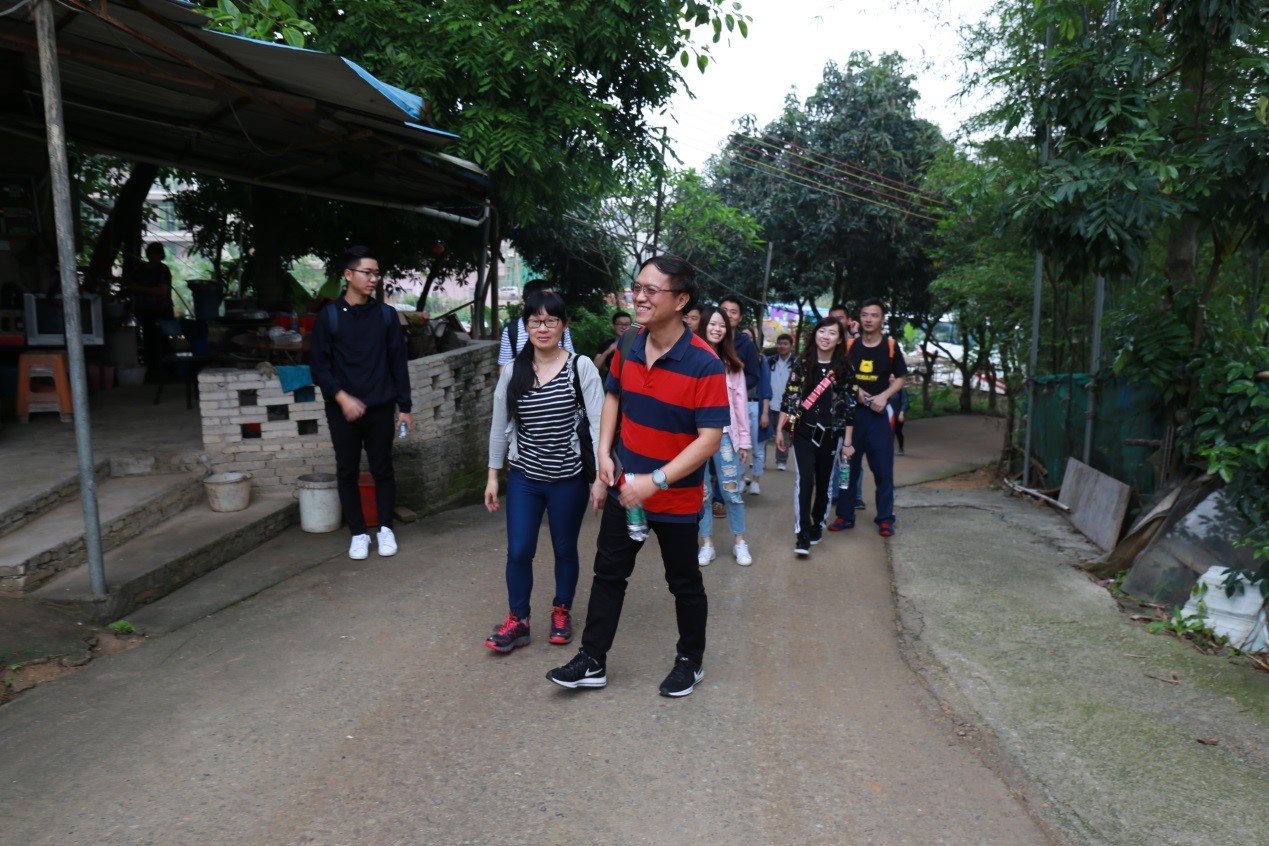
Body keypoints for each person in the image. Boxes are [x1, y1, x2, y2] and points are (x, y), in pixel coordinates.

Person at [547, 255, 727, 698]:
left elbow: (709, 440)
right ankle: (592, 660)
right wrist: (603, 455)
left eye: (651, 290)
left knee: (683, 583)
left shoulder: (705, 363)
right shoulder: (629, 342)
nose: (639, 297)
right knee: (608, 574)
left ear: (681, 300)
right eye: (637, 287)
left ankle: (690, 661)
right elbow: (613, 397)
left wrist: (657, 480)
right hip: (626, 487)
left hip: (676, 498)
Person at [484, 291, 604, 652]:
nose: (543, 327)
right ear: (526, 326)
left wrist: (600, 477)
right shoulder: (514, 371)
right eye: (535, 321)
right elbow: (499, 425)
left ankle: (561, 611)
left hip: (569, 478)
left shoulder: (581, 367)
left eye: (551, 320)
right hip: (525, 477)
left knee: (565, 547)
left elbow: (599, 424)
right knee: (519, 550)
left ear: (563, 325)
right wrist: (492, 475)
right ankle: (518, 621)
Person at [310, 246, 413, 560]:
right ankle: (357, 533)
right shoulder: (329, 317)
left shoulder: (385, 315)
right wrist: (342, 398)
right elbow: (319, 368)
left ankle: (385, 529)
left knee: (383, 469)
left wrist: (405, 407)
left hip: (380, 406)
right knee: (347, 471)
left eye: (376, 274)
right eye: (367, 273)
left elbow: (398, 363)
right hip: (342, 410)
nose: (373, 279)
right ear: (348, 275)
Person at [774, 318, 856, 557]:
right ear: (815, 334)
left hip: (831, 435)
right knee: (805, 480)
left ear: (839, 339)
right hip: (804, 432)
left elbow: (850, 409)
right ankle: (802, 534)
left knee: (824, 482)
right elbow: (790, 398)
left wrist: (847, 443)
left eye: (832, 333)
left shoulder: (844, 368)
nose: (826, 336)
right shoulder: (803, 363)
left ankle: (818, 523)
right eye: (822, 331)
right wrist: (780, 430)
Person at [832, 297, 907, 537]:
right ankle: (844, 516)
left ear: (882, 319)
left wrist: (884, 396)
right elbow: (839, 375)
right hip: (852, 418)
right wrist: (857, 392)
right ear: (859, 318)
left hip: (879, 419)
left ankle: (885, 518)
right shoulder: (850, 346)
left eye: (874, 315)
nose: (868, 319)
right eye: (864, 315)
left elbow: (902, 378)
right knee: (848, 468)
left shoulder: (890, 346)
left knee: (883, 471)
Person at [693, 306, 752, 567]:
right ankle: (707, 544)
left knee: (732, 491)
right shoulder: (691, 361)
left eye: (722, 325)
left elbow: (740, 406)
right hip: (695, 438)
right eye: (712, 324)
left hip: (726, 436)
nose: (717, 329)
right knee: (702, 493)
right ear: (703, 325)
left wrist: (744, 442)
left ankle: (740, 542)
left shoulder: (733, 366)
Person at [717, 296, 767, 495]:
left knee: (727, 455)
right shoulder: (708, 337)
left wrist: (733, 387)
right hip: (706, 407)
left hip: (732, 408)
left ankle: (722, 498)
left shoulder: (745, 344)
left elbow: (754, 376)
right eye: (724, 310)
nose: (728, 315)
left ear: (739, 317)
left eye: (733, 312)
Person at [497, 279, 575, 371]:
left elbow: (570, 358)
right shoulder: (512, 331)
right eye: (546, 296)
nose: (543, 329)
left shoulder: (559, 326)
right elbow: (504, 367)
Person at [131, 242, 173, 375]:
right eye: (150, 252)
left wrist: (141, 289)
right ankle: (152, 370)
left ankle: (165, 371)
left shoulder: (162, 269)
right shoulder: (141, 268)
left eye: (155, 253)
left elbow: (163, 290)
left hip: (161, 310)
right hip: (145, 311)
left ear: (160, 255)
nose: (152, 255)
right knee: (149, 341)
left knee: (161, 341)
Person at [768, 333, 795, 471]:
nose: (782, 346)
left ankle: (781, 461)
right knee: (764, 432)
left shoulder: (796, 363)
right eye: (779, 343)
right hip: (770, 403)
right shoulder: (770, 361)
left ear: (791, 346)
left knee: (785, 434)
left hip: (788, 406)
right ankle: (759, 459)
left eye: (785, 344)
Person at [593, 310, 632, 377]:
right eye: (619, 324)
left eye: (627, 324)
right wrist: (608, 351)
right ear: (613, 326)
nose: (623, 327)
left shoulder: (637, 343)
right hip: (610, 380)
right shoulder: (606, 344)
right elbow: (594, 368)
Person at [890, 384, 910, 455]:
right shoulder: (885, 388)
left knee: (898, 432)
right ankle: (888, 448)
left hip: (898, 414)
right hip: (888, 415)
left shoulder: (901, 389)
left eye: (894, 378)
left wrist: (902, 413)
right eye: (890, 378)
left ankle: (901, 447)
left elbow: (905, 402)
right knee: (887, 432)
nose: (891, 379)